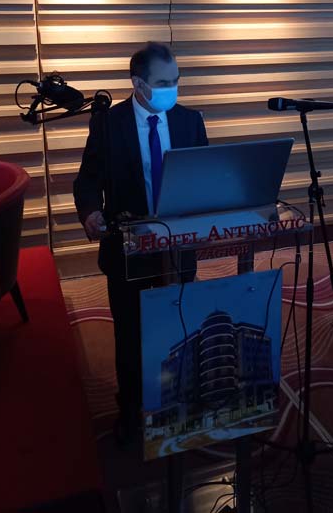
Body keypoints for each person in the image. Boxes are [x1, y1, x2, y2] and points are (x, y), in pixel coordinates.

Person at [73, 41, 208, 444]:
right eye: (164, 83)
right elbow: (88, 180)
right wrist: (90, 213)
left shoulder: (189, 121)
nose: (173, 89)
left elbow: (205, 176)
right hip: (127, 248)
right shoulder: (108, 124)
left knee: (178, 325)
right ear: (138, 84)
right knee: (131, 334)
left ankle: (178, 400)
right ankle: (131, 409)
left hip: (178, 247)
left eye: (176, 80)